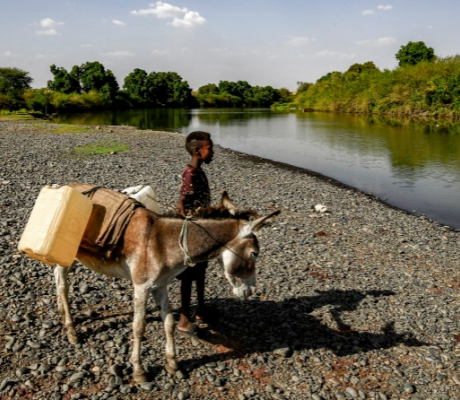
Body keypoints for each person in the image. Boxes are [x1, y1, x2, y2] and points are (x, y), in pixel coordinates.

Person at [176, 131, 214, 337]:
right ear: (197, 151)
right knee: (189, 275)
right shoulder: (190, 172)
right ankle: (183, 318)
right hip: (194, 231)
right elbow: (183, 199)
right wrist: (186, 220)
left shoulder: (198, 171)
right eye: (210, 148)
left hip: (202, 228)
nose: (213, 152)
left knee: (201, 270)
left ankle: (201, 309)